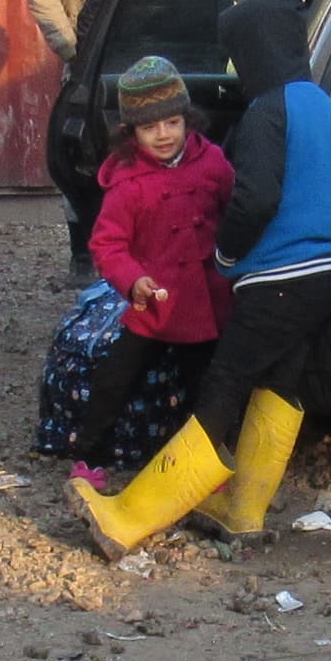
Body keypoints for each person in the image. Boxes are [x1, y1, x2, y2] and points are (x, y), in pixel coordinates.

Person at [75, 0, 331, 555]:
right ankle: (242, 511)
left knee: (221, 386)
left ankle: (127, 519)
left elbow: (255, 200)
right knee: (279, 386)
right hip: (322, 276)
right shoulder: (324, 105)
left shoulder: (270, 110)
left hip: (275, 279)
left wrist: (226, 256)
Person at [65, 56, 231, 492]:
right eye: (149, 127)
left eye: (172, 122)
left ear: (187, 120)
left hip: (206, 301)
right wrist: (132, 280)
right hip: (154, 302)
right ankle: (89, 456)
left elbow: (236, 214)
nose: (163, 135)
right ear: (131, 132)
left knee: (207, 388)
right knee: (115, 380)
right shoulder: (127, 181)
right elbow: (108, 244)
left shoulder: (212, 163)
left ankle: (205, 463)